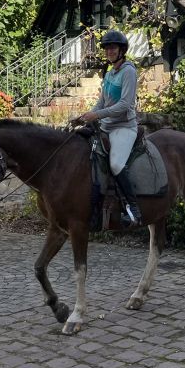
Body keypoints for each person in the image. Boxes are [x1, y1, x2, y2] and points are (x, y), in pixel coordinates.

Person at [76, 30, 141, 227]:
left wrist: (97, 115)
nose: (109, 51)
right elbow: (101, 103)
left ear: (122, 50)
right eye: (107, 48)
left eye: (113, 48)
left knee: (115, 165)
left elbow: (125, 104)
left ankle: (133, 209)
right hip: (106, 126)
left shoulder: (129, 71)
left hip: (124, 127)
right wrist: (84, 116)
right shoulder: (110, 73)